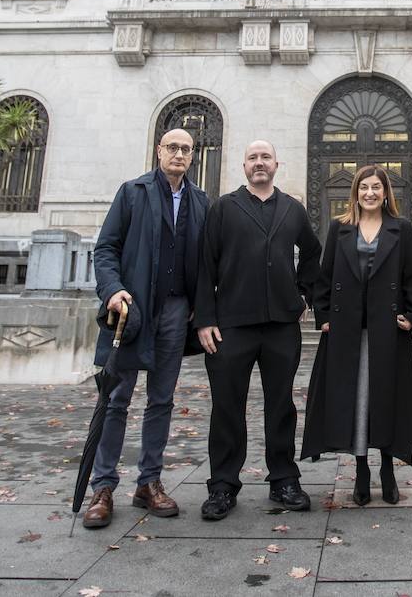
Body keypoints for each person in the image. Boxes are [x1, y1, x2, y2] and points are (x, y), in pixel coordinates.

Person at [83, 128, 209, 528]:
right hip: (131, 312)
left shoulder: (200, 201)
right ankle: (103, 487)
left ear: (193, 156)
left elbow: (207, 263)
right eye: (172, 147)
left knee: (161, 400)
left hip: (176, 312)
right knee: (116, 399)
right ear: (159, 151)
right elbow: (105, 249)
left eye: (186, 149)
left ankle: (148, 482)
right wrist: (113, 291)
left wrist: (199, 306)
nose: (179, 154)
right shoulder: (132, 192)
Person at [194, 140, 323, 520]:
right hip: (230, 325)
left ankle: (283, 479)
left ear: (277, 164)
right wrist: (205, 319)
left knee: (281, 405)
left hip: (281, 326)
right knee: (226, 407)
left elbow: (314, 252)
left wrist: (302, 294)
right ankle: (222, 486)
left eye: (266, 157)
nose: (259, 163)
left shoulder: (292, 209)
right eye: (253, 158)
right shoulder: (223, 209)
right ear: (244, 166)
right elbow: (205, 265)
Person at [301, 165, 412, 506]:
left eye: (377, 187)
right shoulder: (340, 228)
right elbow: (324, 278)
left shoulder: (401, 229)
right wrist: (323, 316)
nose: (370, 193)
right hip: (347, 330)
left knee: (386, 399)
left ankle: (386, 468)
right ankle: (361, 470)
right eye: (364, 187)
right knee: (355, 401)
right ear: (355, 192)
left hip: (388, 331)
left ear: (386, 193)